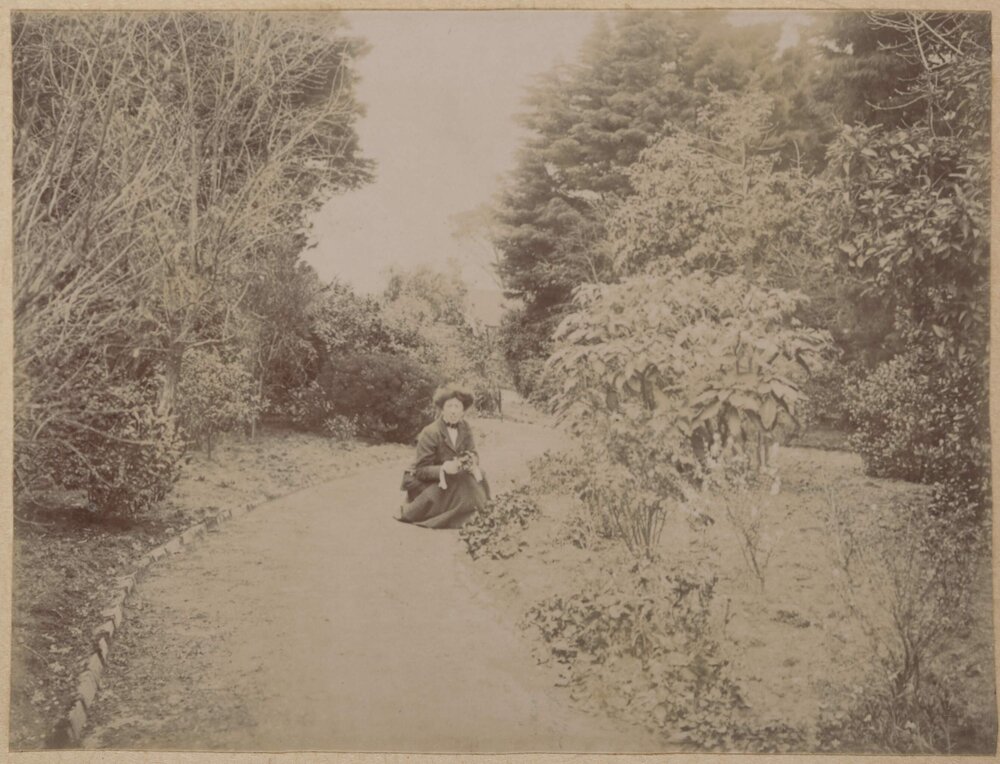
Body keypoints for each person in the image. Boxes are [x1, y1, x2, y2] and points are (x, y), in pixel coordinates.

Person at [396, 384, 490, 529]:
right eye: (449, 406)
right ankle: (460, 516)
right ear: (442, 408)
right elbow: (421, 470)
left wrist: (472, 460)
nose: (453, 411)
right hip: (427, 480)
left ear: (463, 410)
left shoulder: (465, 427)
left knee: (479, 475)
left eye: (457, 406)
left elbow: (473, 452)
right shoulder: (430, 432)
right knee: (462, 484)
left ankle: (474, 512)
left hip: (453, 477)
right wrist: (444, 469)